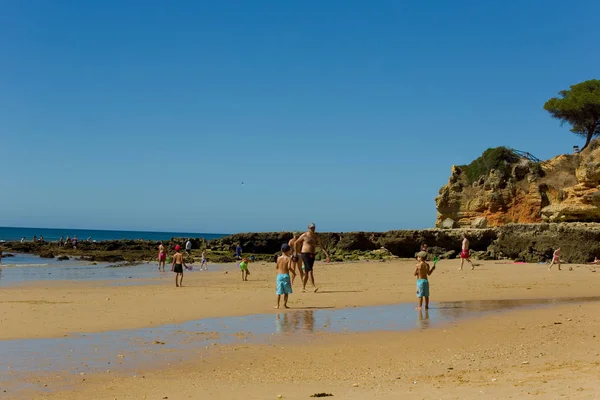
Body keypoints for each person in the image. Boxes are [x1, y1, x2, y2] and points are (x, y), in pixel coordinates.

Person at [295, 222, 330, 293]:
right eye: (311, 228)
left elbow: (321, 246)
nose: (312, 229)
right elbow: (296, 242)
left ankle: (303, 287)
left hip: (312, 255)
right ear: (308, 228)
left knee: (307, 271)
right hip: (305, 254)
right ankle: (314, 287)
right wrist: (296, 252)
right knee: (310, 271)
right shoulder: (305, 235)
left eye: (313, 228)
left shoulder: (316, 236)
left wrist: (327, 255)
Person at [275, 244, 293, 309]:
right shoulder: (288, 258)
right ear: (288, 251)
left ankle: (277, 305)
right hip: (286, 275)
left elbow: (276, 267)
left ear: (281, 250)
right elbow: (289, 267)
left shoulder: (278, 258)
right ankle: (285, 304)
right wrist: (294, 273)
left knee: (278, 292)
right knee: (286, 292)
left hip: (279, 275)